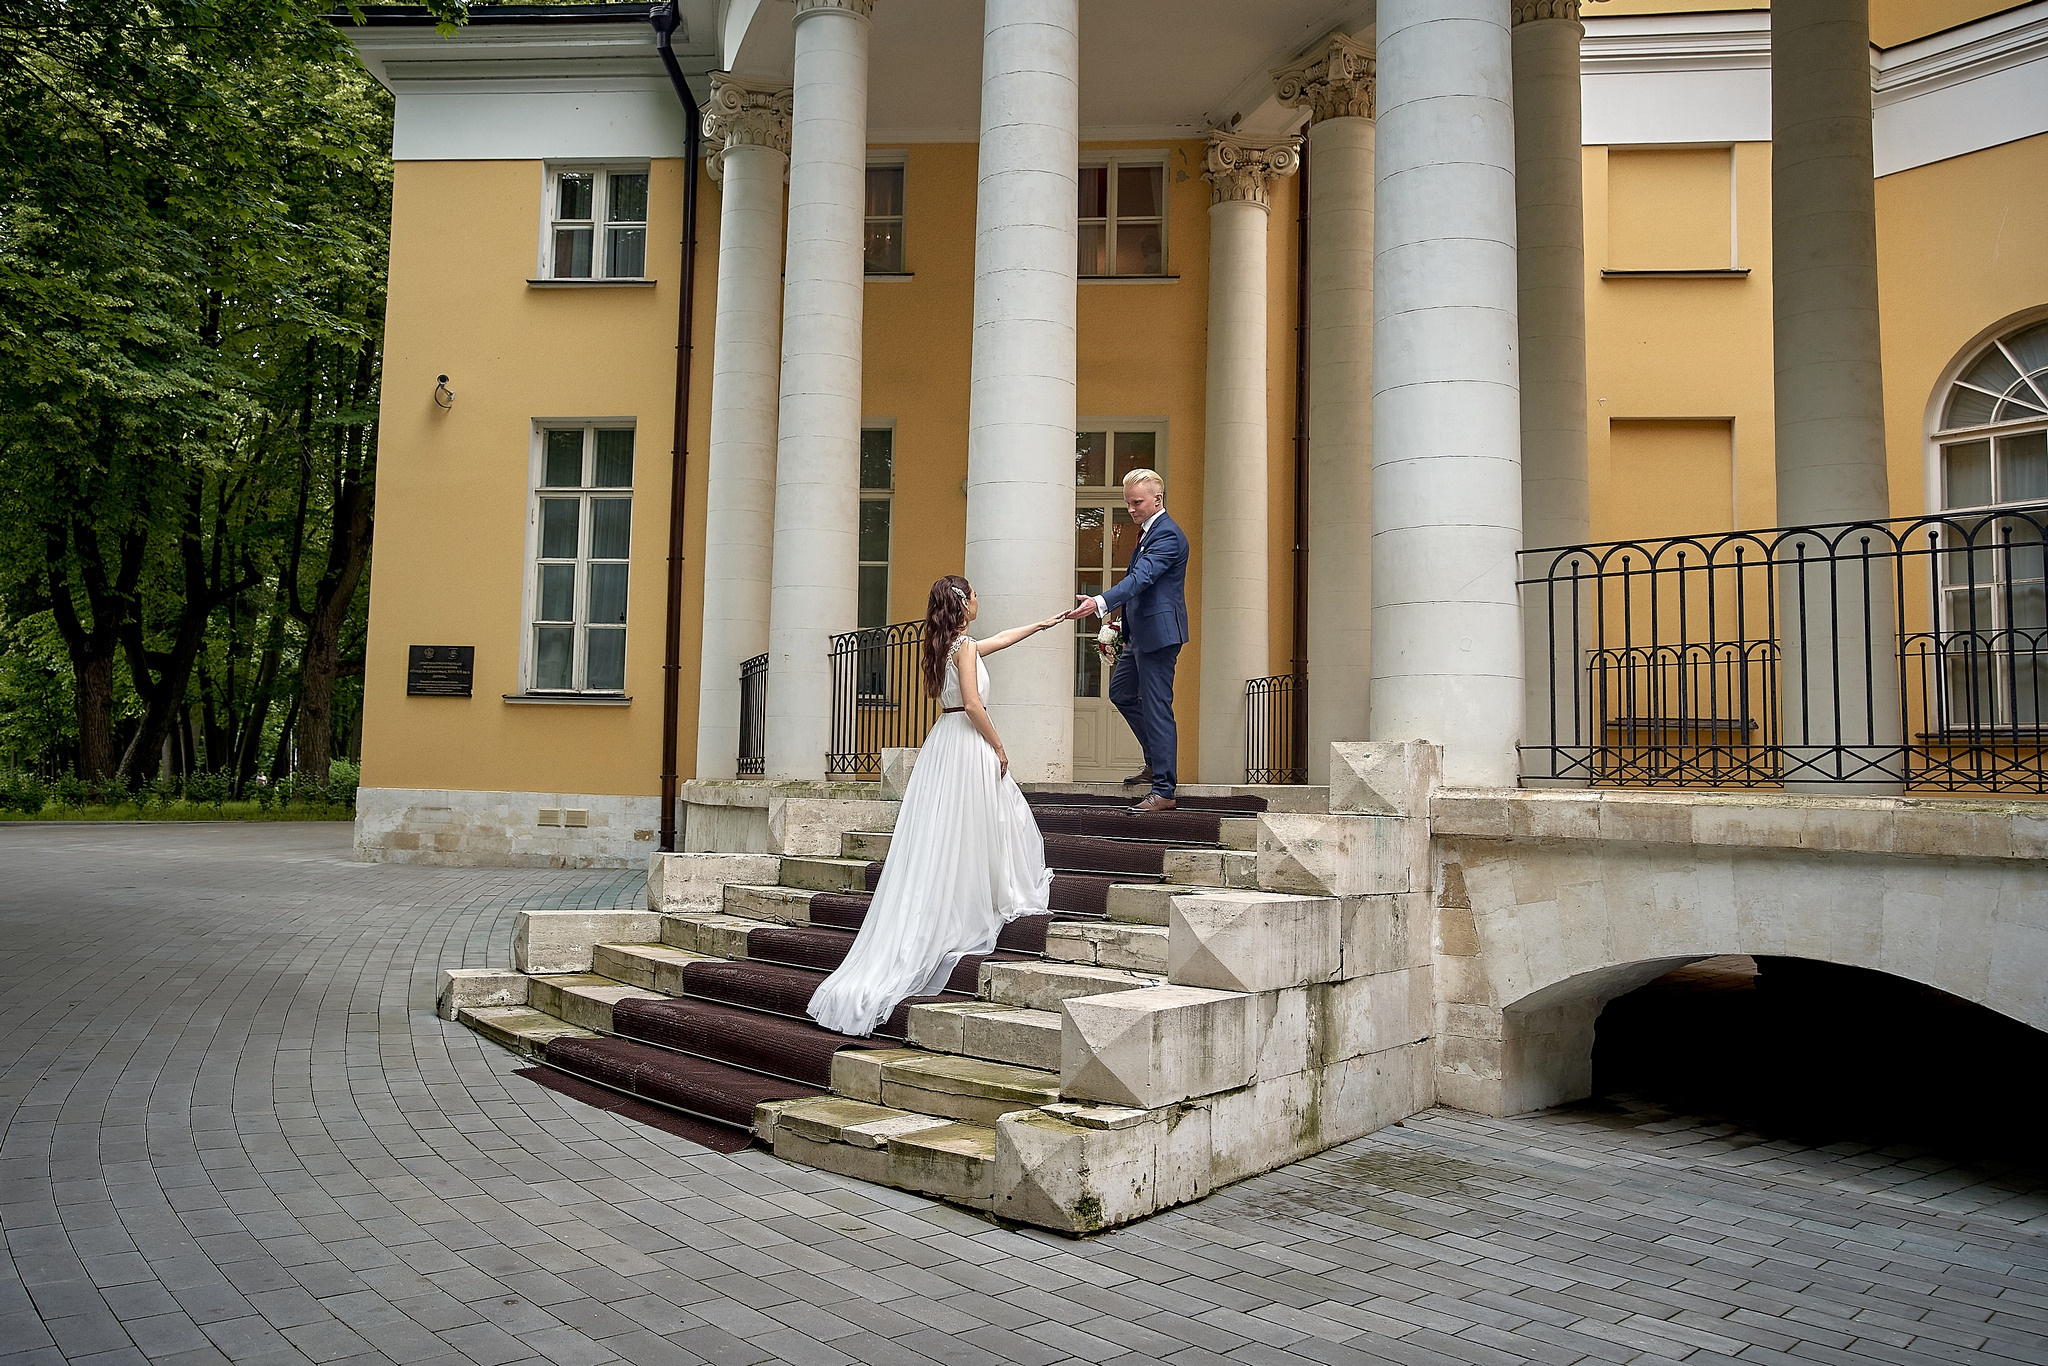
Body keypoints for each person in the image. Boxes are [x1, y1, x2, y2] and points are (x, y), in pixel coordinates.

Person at [807, 576, 1068, 1038]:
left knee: (950, 833)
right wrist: (1000, 745)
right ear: (964, 603)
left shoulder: (944, 644)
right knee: (984, 824)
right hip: (966, 743)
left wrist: (1042, 625)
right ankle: (984, 895)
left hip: (942, 745)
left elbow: (1000, 641)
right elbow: (972, 704)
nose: (979, 601)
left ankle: (967, 893)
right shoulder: (962, 648)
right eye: (974, 596)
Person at [1067, 468, 1188, 812]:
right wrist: (1120, 618)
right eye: (1128, 503)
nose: (1132, 509)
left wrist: (1100, 601)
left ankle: (1164, 790)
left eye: (1137, 502)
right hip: (1139, 634)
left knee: (1157, 706)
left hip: (1160, 637)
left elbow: (1143, 577)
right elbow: (1138, 584)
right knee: (1120, 692)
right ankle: (1155, 762)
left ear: (1157, 499)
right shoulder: (1146, 532)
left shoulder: (1168, 535)